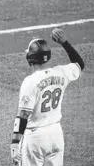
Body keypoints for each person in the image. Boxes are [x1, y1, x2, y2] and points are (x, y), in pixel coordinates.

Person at [10, 28, 85, 166]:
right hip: (56, 134)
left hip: (35, 138)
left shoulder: (30, 82)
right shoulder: (61, 73)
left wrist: (15, 143)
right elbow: (80, 64)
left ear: (30, 58)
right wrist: (64, 42)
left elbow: (23, 116)